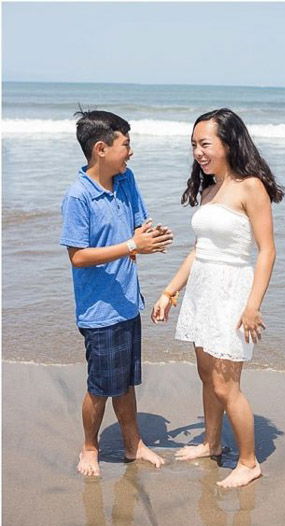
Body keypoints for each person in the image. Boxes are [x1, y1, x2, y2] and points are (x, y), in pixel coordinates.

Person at [151, 108, 285, 488]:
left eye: (205, 143)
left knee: (227, 386)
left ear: (228, 142)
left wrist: (253, 305)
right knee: (207, 376)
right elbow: (198, 250)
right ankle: (211, 443)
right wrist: (169, 291)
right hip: (201, 291)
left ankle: (248, 462)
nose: (198, 151)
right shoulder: (209, 187)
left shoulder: (250, 186)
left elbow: (267, 251)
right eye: (193, 144)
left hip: (232, 292)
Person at [60, 110, 173, 476]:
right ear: (101, 148)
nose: (131, 152)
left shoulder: (126, 180)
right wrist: (131, 245)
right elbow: (78, 257)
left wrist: (150, 237)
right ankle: (89, 448)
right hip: (98, 309)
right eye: (125, 144)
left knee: (125, 381)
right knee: (100, 387)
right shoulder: (79, 197)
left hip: (127, 302)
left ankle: (132, 444)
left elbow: (139, 223)